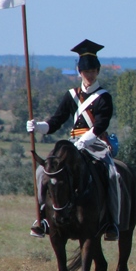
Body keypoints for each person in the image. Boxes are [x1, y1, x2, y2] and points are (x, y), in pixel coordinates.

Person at [26, 39, 120, 241]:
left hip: (95, 143)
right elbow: (56, 121)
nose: (90, 75)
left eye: (93, 71)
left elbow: (100, 126)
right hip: (72, 144)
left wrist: (83, 142)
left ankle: (112, 221)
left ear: (98, 72)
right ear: (80, 72)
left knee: (112, 175)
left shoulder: (104, 98)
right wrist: (38, 126)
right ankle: (41, 217)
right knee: (42, 170)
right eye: (86, 71)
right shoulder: (71, 96)